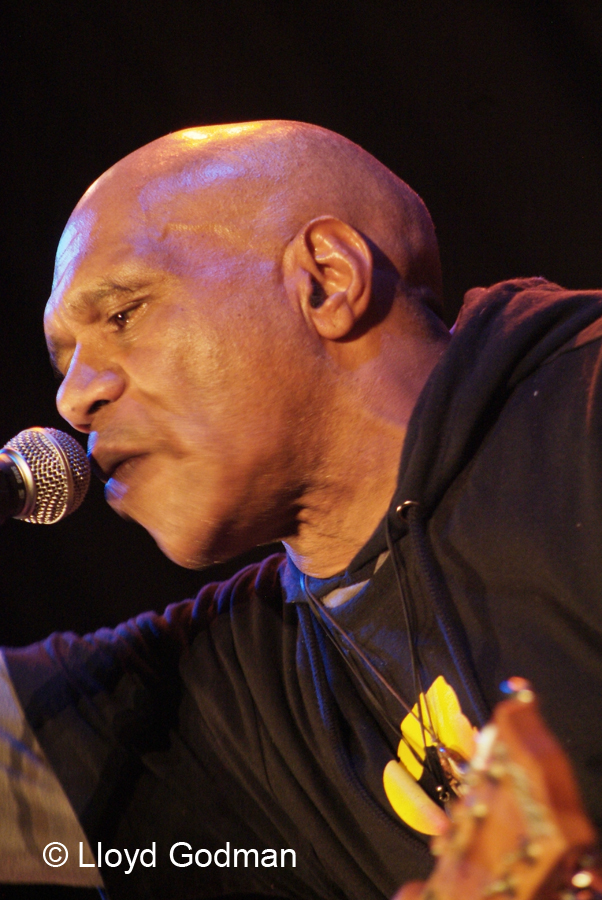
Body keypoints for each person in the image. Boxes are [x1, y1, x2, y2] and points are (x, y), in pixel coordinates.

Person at [2, 120, 602, 899]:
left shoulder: (580, 417)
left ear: (326, 277)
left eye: (123, 315)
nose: (73, 398)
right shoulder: (225, 691)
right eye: (64, 362)